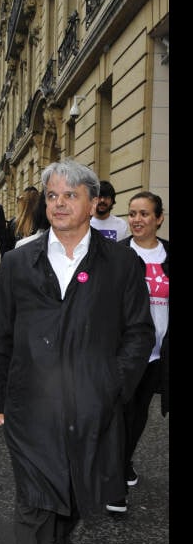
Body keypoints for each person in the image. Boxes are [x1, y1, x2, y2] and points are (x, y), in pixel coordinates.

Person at [0, 158, 155, 544]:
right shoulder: (19, 261)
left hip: (91, 404)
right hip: (31, 407)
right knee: (33, 503)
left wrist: (112, 385)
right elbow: (0, 335)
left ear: (93, 202)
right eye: (52, 196)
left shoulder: (120, 263)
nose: (58, 204)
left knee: (78, 486)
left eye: (69, 195)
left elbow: (138, 333)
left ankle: (64, 529)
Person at [105, 190, 169, 513]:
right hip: (125, 352)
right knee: (119, 413)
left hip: (158, 352)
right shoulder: (115, 254)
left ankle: (124, 460)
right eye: (132, 214)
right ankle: (115, 483)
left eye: (144, 214)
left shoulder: (168, 254)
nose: (137, 220)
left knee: (139, 413)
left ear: (159, 218)